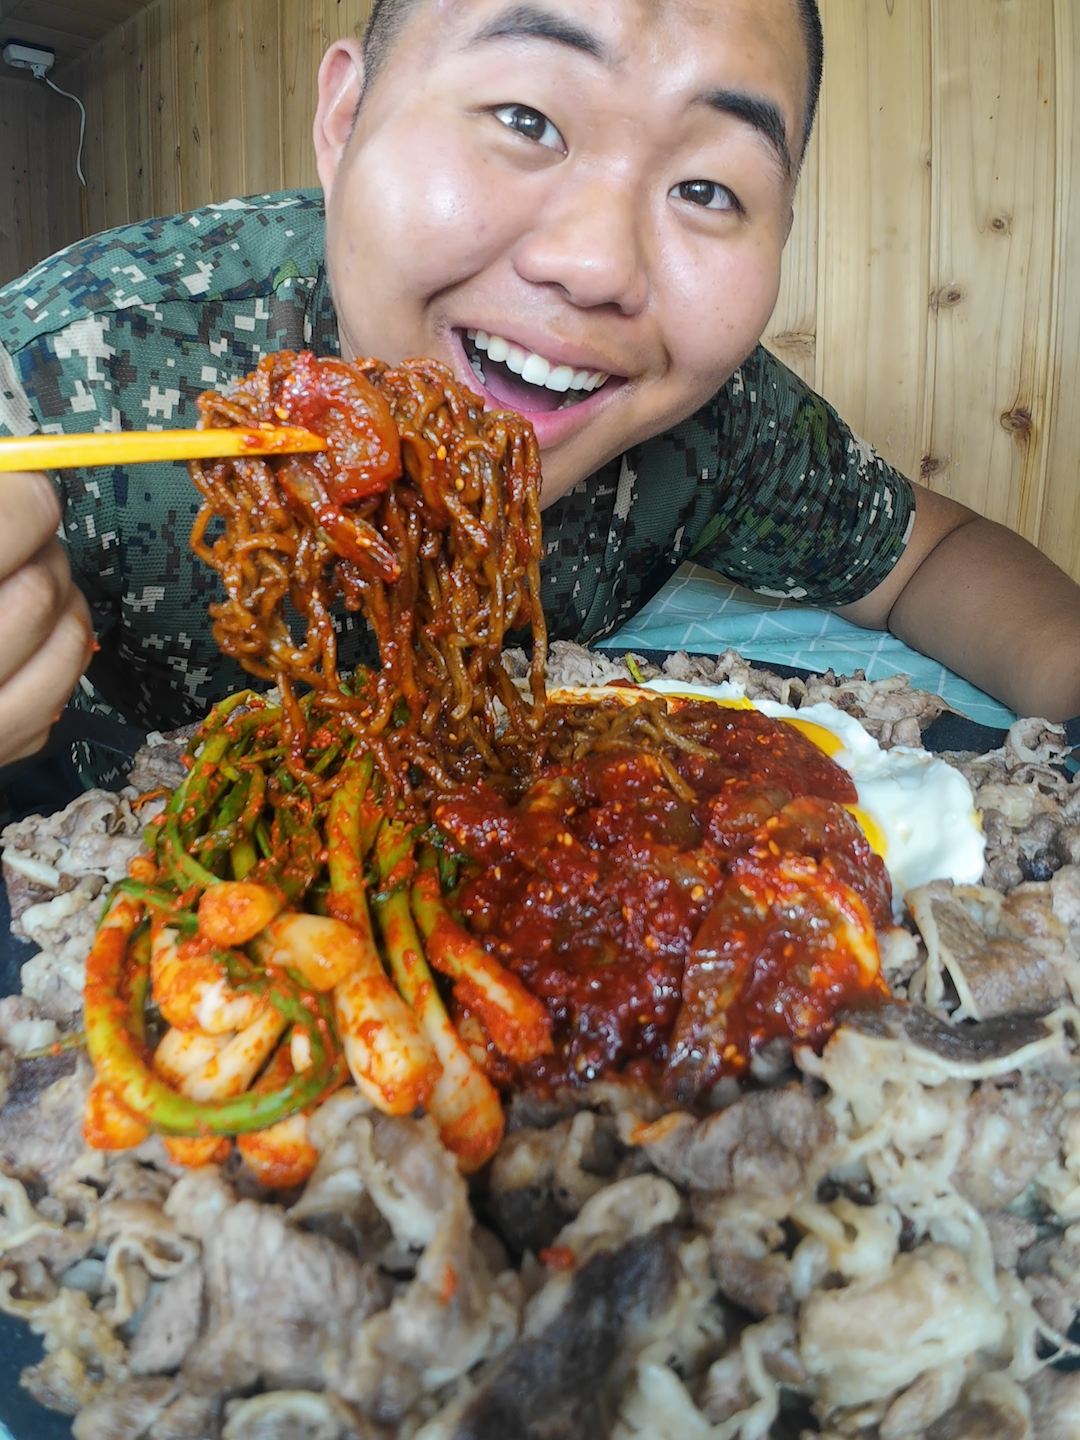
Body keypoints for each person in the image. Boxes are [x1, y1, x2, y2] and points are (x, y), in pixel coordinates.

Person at [1, 0, 1079, 775]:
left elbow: (925, 555)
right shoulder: (67, 366)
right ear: (345, 121)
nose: (599, 265)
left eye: (708, 186)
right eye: (527, 119)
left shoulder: (717, 414)